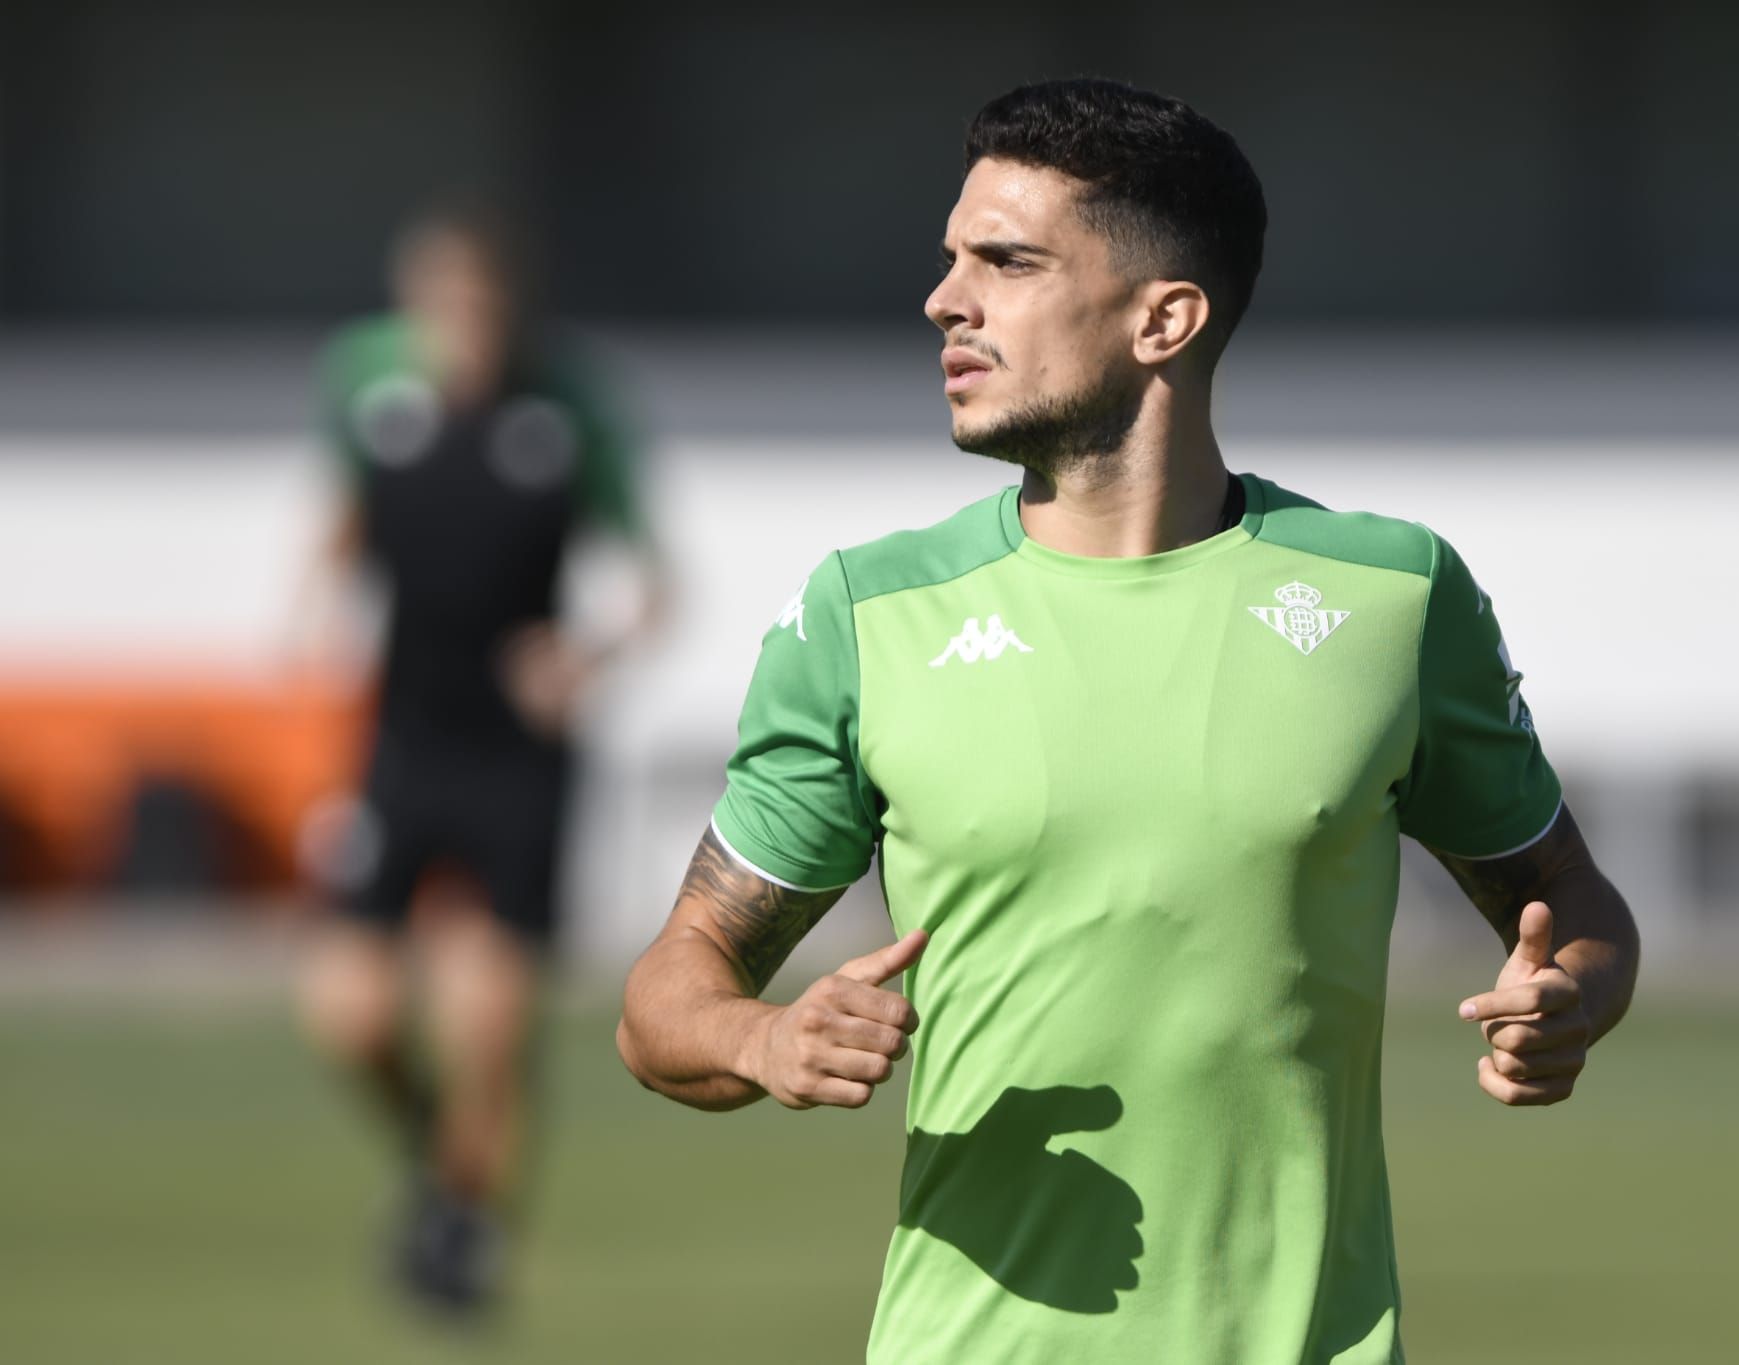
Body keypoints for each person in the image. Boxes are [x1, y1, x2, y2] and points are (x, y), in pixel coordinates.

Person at [617, 78, 1638, 1363]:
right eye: (951, 258)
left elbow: (1571, 903)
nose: (944, 300)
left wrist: (1568, 1001)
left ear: (1164, 319)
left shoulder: (1392, 595)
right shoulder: (868, 615)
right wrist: (764, 1038)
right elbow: (665, 998)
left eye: (1006, 262)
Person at [297, 200, 664, 1313]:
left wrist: (583, 657)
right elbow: (347, 520)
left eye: (481, 302)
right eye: (443, 301)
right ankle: (440, 1164)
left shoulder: (570, 410)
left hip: (519, 757)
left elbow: (655, 585)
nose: (463, 322)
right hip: (404, 737)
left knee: (488, 1027)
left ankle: (464, 1239)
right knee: (351, 1016)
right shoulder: (366, 389)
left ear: (511, 306)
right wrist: (316, 595)